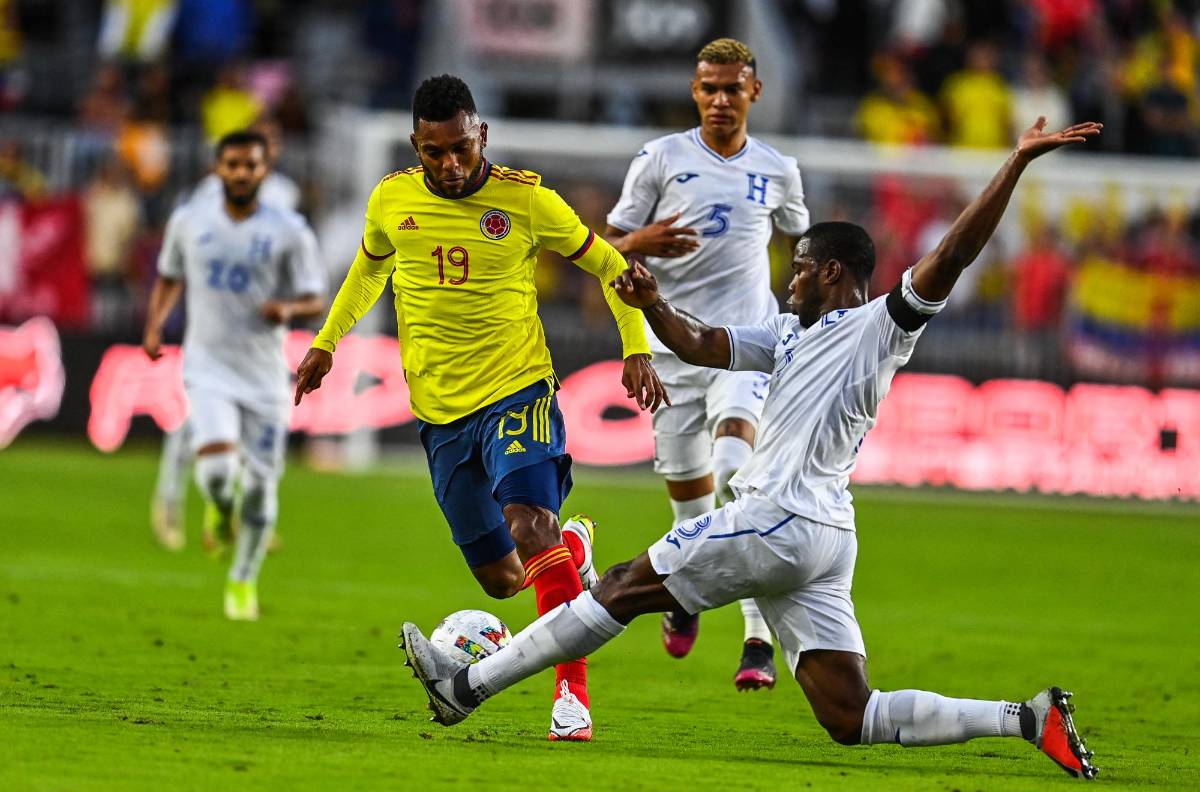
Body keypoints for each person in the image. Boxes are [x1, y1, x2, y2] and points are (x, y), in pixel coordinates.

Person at [400, 118, 1103, 782]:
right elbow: (701, 344)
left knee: (617, 587)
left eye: (798, 266)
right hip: (826, 538)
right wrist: (649, 301)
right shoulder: (790, 334)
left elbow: (952, 255)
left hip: (777, 516)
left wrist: (1013, 164)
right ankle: (1025, 718)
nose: (787, 277)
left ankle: (464, 686)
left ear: (832, 273)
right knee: (850, 714)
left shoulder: (877, 327)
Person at [292, 75, 665, 742]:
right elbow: (369, 268)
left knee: (529, 525)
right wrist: (327, 342)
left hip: (517, 390)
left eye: (462, 147)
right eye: (436, 152)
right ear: (417, 145)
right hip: (440, 414)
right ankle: (572, 549)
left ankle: (571, 699)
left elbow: (613, 266)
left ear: (481, 134)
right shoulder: (391, 199)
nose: (452, 164)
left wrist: (636, 345)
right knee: (502, 579)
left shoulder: (526, 201)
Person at [604, 37, 810, 689]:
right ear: (695, 93)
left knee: (736, 473)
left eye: (732, 88)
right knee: (692, 508)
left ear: (755, 91)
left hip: (744, 344)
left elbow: (803, 248)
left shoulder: (779, 169)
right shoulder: (660, 159)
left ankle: (756, 641)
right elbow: (606, 251)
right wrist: (640, 241)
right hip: (670, 352)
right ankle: (686, 598)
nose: (720, 99)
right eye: (708, 88)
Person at [142, 129, 327, 621]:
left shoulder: (290, 228)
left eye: (252, 165)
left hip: (265, 374)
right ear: (218, 168)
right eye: (233, 164)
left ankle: (242, 581)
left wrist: (286, 307)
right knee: (220, 473)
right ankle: (219, 510)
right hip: (207, 366)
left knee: (264, 488)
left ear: (265, 170)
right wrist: (156, 324)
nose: (242, 173)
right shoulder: (189, 219)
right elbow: (169, 275)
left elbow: (316, 297)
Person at [151, 117, 301, 551]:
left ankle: (248, 514)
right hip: (214, 325)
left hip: (260, 332)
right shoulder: (210, 192)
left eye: (273, 142)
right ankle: (168, 501)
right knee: (193, 423)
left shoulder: (285, 194)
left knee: (261, 426)